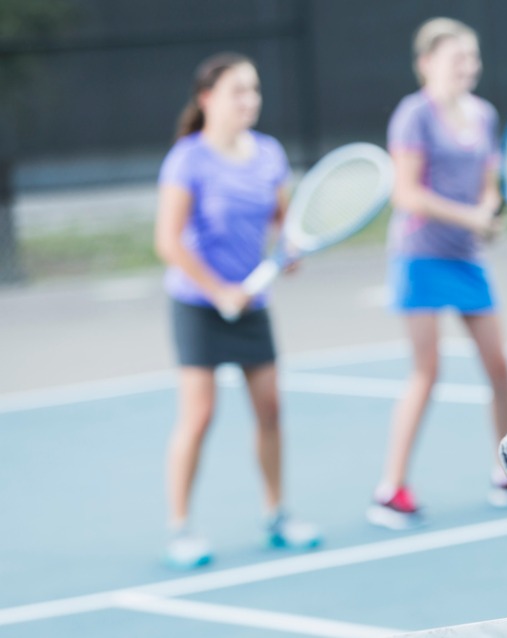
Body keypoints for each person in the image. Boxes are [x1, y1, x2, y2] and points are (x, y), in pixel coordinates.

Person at [155, 52, 320, 569]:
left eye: (254, 90)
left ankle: (276, 515)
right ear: (207, 100)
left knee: (270, 409)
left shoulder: (268, 154)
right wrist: (218, 289)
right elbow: (168, 241)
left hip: (252, 302)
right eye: (237, 92)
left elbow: (284, 223)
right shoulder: (188, 158)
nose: (249, 100)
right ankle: (180, 527)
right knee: (199, 415)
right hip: (197, 303)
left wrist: (288, 252)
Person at [367, 17, 507, 530]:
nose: (467, 68)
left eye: (472, 59)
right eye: (456, 59)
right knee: (426, 371)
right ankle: (391, 488)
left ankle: (506, 471)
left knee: (500, 368)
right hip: (419, 255)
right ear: (427, 63)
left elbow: (490, 184)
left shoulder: (484, 114)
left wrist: (488, 211)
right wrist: (468, 215)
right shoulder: (413, 116)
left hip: (467, 257)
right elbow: (405, 194)